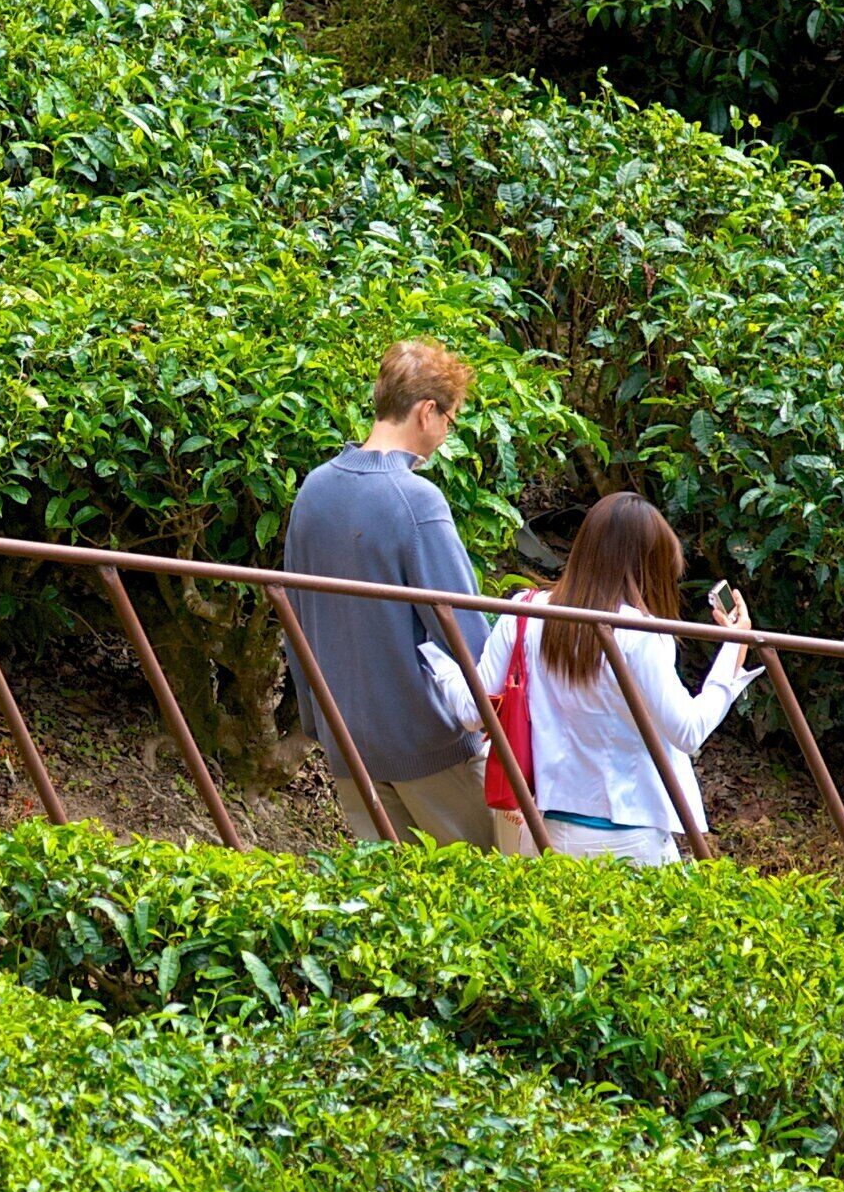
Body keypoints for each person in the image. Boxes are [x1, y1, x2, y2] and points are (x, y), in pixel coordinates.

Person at [282, 339, 499, 848]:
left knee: (394, 902)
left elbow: (295, 619)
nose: (447, 433)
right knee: (489, 888)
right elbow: (466, 638)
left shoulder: (313, 488)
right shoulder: (416, 499)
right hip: (428, 744)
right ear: (427, 412)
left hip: (346, 742)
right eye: (450, 418)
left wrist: (319, 724)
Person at [476, 492, 756, 866]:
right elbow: (687, 731)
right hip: (628, 838)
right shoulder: (637, 633)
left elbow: (477, 703)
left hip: (546, 831)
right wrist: (732, 655)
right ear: (647, 568)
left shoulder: (523, 613)